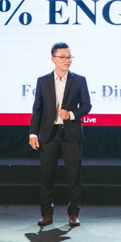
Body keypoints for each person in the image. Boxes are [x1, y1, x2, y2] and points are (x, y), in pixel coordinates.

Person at [29, 42, 92, 228]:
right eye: (63, 57)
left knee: (74, 176)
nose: (67, 60)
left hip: (71, 134)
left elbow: (87, 105)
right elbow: (37, 109)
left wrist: (70, 115)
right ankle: (46, 214)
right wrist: (33, 134)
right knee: (47, 175)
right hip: (49, 134)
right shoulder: (43, 81)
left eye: (69, 57)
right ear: (53, 59)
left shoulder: (79, 80)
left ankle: (73, 213)